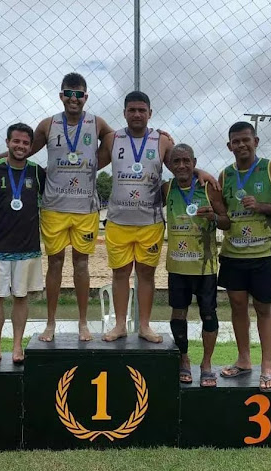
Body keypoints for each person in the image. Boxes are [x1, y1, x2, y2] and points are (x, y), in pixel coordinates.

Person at [0, 73, 113, 342]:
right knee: (55, 263)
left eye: (78, 94)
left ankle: (83, 322)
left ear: (85, 97)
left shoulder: (98, 123)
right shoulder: (48, 124)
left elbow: (118, 142)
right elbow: (23, 152)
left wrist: (94, 165)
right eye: (68, 93)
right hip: (54, 206)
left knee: (82, 264)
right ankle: (50, 323)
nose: (73, 99)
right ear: (61, 96)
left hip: (85, 206)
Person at [218, 121, 271, 392]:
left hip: (266, 252)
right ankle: (244, 360)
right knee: (238, 306)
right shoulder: (225, 175)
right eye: (235, 141)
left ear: (256, 141)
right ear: (229, 146)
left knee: (264, 308)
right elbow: (224, 215)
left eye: (245, 140)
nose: (241, 145)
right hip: (233, 252)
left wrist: (261, 205)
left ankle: (267, 366)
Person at [97, 91, 173, 343]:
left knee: (146, 276)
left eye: (142, 110)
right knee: (119, 274)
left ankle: (144, 326)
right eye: (132, 110)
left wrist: (201, 172)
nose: (137, 114)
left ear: (150, 113)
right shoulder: (112, 139)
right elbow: (89, 164)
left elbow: (182, 167)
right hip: (118, 221)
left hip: (150, 223)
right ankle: (120, 325)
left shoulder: (161, 141)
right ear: (124, 113)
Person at [163, 144, 230, 387]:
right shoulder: (166, 188)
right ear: (170, 165)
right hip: (178, 267)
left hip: (205, 267)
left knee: (209, 315)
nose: (181, 165)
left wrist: (213, 216)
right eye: (176, 161)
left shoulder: (208, 188)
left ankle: (206, 364)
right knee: (178, 314)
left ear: (194, 162)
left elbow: (226, 222)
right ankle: (184, 359)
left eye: (186, 161)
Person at [0, 123, 46, 366]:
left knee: (21, 298)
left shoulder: (37, 172)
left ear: (31, 147)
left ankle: (17, 345)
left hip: (27, 247)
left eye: (25, 143)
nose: (20, 146)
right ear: (7, 142)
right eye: (16, 142)